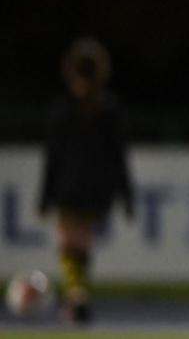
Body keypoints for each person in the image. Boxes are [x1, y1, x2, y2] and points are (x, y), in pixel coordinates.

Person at [38, 37, 134, 324]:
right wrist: (126, 196)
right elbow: (119, 159)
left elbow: (53, 158)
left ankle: (76, 295)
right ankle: (78, 297)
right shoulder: (110, 111)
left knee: (69, 246)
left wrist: (45, 196)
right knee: (82, 246)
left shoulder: (63, 112)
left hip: (70, 188)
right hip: (98, 190)